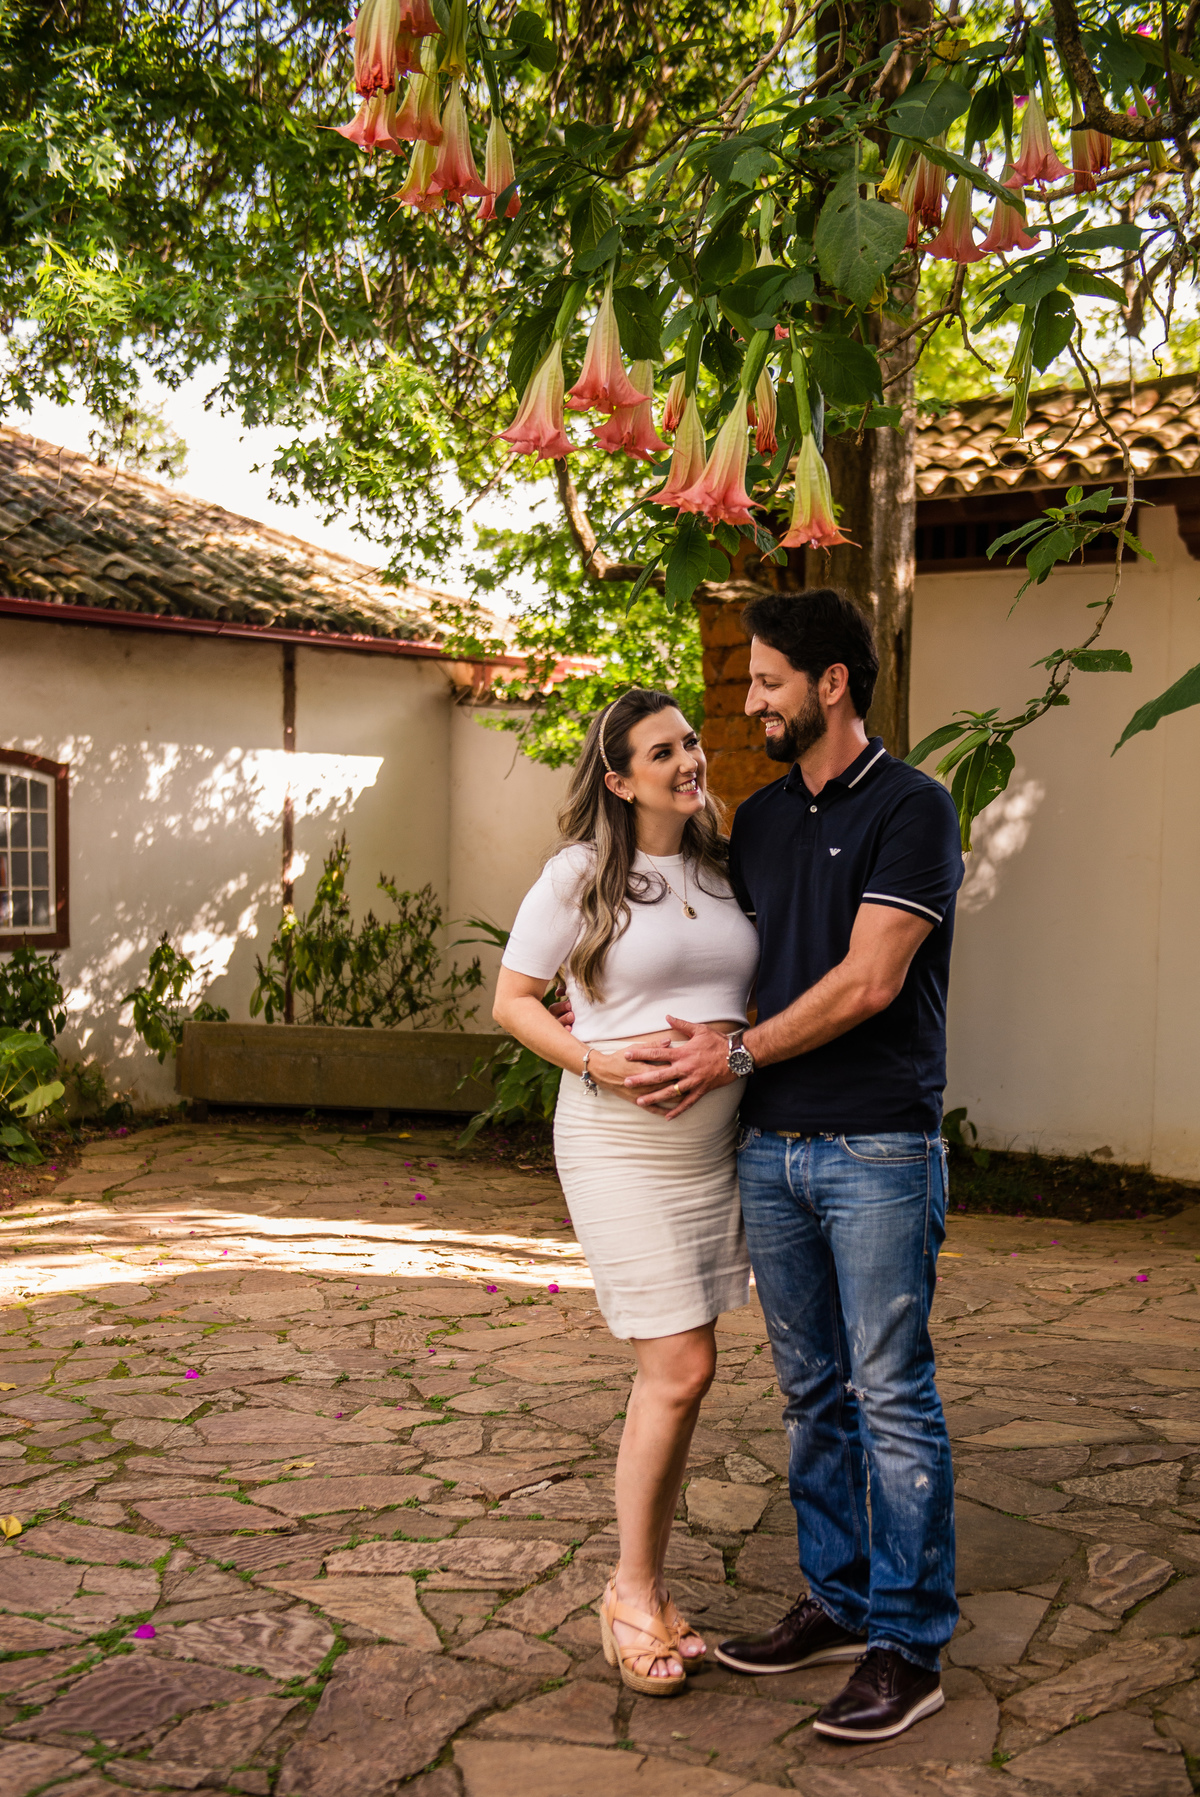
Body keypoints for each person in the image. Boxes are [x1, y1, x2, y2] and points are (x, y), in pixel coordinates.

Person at [623, 589, 964, 1744]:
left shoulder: (914, 808)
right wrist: (594, 1004)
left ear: (831, 683)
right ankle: (839, 1599)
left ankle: (908, 1645)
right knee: (813, 1394)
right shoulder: (761, 820)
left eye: (768, 681)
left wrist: (736, 1053)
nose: (751, 700)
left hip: (878, 1144)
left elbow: (870, 981)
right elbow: (698, 939)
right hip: (770, 1148)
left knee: (891, 1396)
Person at [492, 688, 759, 1698]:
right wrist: (598, 1061)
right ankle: (631, 1593)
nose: (690, 760)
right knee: (681, 1366)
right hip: (618, 1146)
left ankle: (643, 1584)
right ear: (618, 779)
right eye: (663, 752)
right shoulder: (580, 874)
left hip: (713, 1148)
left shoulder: (726, 864)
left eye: (690, 741)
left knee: (685, 1373)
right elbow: (514, 1001)